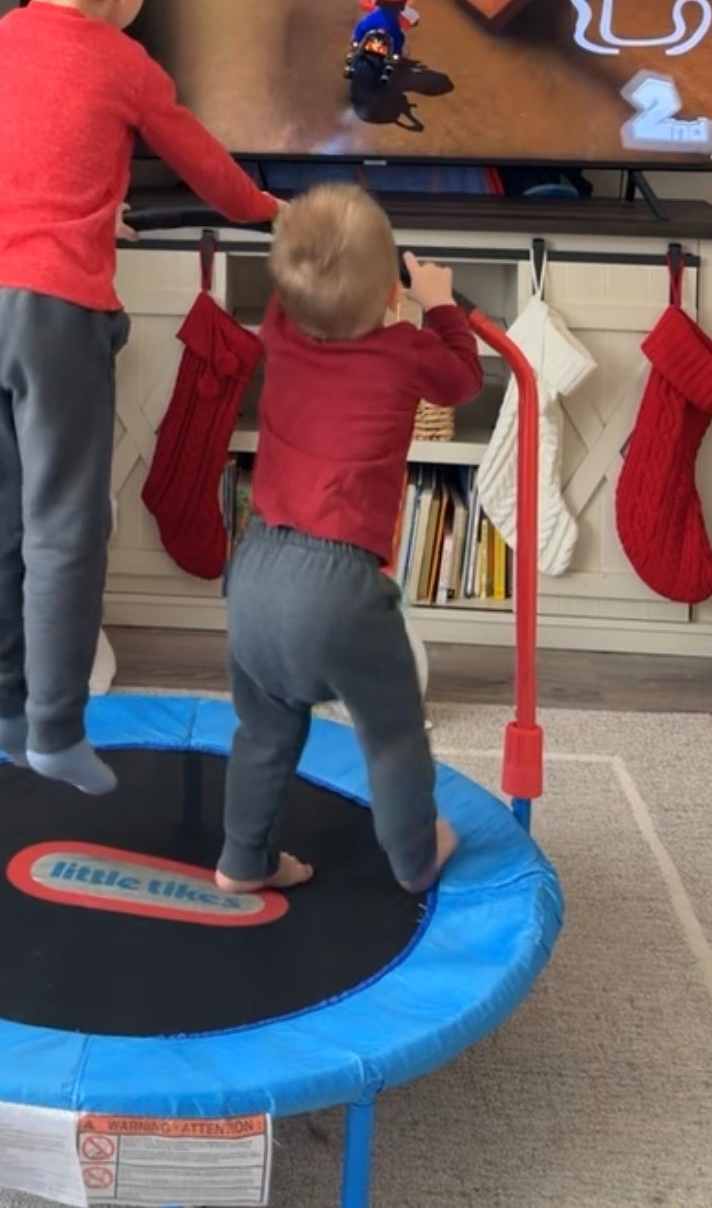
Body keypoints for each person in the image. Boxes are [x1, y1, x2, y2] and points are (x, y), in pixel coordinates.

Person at [0, 0, 280, 795]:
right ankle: (53, 729)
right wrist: (268, 211)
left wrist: (93, 202)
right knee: (63, 528)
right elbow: (207, 167)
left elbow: (24, 159)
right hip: (55, 314)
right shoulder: (123, 61)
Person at [215, 182, 483, 895]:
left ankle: (244, 859)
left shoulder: (278, 330)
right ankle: (416, 854)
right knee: (391, 733)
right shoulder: (404, 348)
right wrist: (441, 302)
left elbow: (295, 281)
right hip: (338, 588)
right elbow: (464, 377)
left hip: (255, 572)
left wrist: (293, 229)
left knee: (264, 733)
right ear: (388, 295)